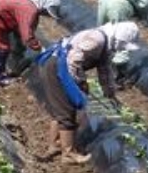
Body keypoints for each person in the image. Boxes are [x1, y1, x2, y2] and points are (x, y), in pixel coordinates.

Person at [32, 21, 141, 164]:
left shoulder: (105, 44)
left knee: (60, 109)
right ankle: (68, 154)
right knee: (67, 109)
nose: (121, 48)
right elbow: (73, 60)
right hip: (57, 67)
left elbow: (104, 71)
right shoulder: (96, 40)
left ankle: (55, 145)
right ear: (118, 38)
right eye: (123, 44)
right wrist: (79, 82)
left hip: (58, 66)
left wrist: (110, 94)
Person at [0, 0, 63, 84]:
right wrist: (39, 48)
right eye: (47, 12)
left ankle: (13, 68)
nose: (47, 15)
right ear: (44, 7)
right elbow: (27, 36)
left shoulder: (31, 1)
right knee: (1, 48)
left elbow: (24, 28)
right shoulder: (29, 9)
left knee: (14, 43)